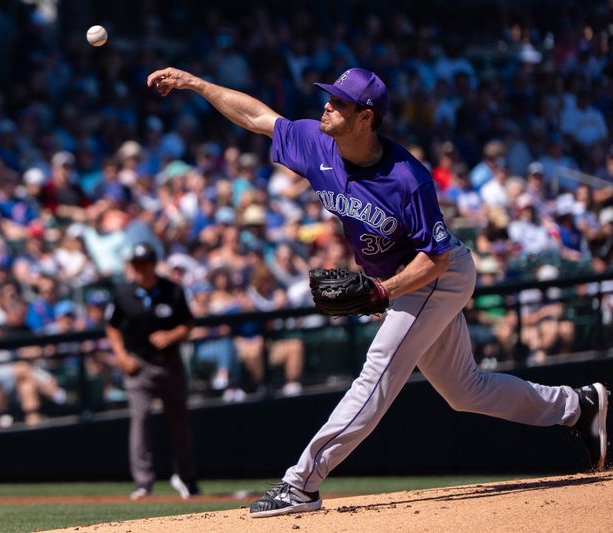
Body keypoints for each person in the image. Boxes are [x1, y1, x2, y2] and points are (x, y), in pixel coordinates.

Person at [147, 65, 610, 517]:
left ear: (365, 117)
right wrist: (196, 83)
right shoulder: (316, 142)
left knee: (378, 371)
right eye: (328, 98)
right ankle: (581, 405)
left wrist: (381, 293)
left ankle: (301, 482)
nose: (326, 106)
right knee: (466, 390)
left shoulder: (408, 178)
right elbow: (257, 117)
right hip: (404, 281)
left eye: (339, 102)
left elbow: (438, 259)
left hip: (432, 277)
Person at [105, 242, 199, 500]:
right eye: (136, 264)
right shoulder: (123, 293)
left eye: (144, 264)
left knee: (179, 421)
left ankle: (186, 478)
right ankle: (143, 482)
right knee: (141, 419)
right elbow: (112, 327)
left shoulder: (172, 290)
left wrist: (172, 335)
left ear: (153, 264)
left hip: (170, 362)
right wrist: (122, 356)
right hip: (139, 364)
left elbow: (188, 322)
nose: (141, 269)